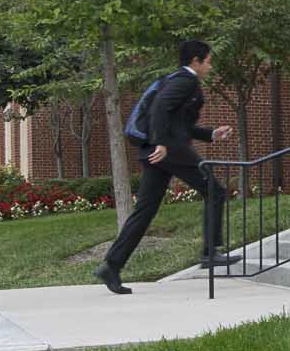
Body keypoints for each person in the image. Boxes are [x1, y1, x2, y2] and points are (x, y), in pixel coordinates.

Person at [95, 38, 241, 295]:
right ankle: (210, 252)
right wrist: (162, 143)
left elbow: (178, 124)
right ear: (195, 61)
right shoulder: (186, 80)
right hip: (169, 151)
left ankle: (111, 266)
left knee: (145, 210)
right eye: (208, 61)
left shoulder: (174, 79)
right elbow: (160, 109)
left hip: (157, 151)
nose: (210, 67)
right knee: (215, 191)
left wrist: (211, 134)